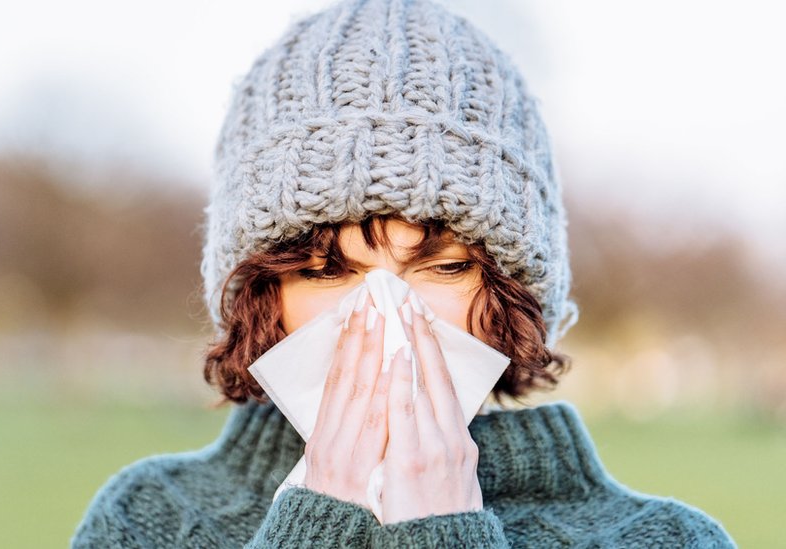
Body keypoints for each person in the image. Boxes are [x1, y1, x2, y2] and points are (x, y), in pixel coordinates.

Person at [71, 0, 736, 546]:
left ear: (513, 292)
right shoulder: (146, 520)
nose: (382, 316)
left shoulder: (664, 538)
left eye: (443, 265)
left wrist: (446, 530)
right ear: (262, 295)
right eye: (325, 269)